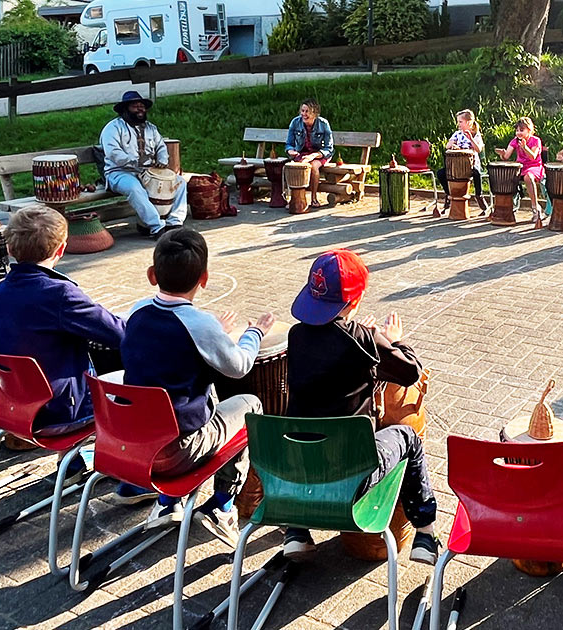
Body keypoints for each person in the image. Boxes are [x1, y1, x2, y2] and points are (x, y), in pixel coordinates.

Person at [282, 249, 439, 565]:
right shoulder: (365, 341)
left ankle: (297, 530)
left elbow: (331, 346)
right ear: (355, 301)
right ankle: (425, 533)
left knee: (309, 422)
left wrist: (366, 336)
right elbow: (410, 372)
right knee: (408, 438)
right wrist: (391, 340)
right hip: (352, 474)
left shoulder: (296, 335)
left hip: (299, 472)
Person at [119, 228, 275, 540]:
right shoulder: (199, 324)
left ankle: (168, 503)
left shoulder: (135, 313)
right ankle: (222, 505)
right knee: (250, 405)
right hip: (179, 451)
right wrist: (253, 333)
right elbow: (239, 366)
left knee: (183, 397)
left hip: (130, 446)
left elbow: (163, 346)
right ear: (203, 279)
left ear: (152, 275)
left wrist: (210, 331)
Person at [0, 205, 126, 437]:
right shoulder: (60, 294)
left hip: (11, 408)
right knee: (142, 366)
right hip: (60, 413)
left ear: (10, 249)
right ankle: (97, 458)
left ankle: (71, 465)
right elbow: (119, 334)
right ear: (61, 248)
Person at [100, 91, 188, 239]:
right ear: (125, 109)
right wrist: (134, 161)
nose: (140, 109)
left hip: (147, 171)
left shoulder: (151, 128)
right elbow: (113, 152)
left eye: (142, 106)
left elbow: (160, 146)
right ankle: (157, 227)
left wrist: (162, 160)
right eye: (135, 106)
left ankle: (175, 223)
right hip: (120, 172)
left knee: (179, 182)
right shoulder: (113, 128)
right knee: (135, 188)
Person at [285, 98, 335, 209]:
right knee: (292, 167)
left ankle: (313, 198)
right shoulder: (295, 122)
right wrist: (290, 151)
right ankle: (295, 199)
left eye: (307, 111)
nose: (304, 114)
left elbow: (329, 148)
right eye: (302, 111)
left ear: (314, 113)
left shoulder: (323, 124)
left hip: (320, 154)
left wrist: (314, 155)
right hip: (302, 153)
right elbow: (289, 143)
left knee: (313, 167)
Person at [436, 109, 488, 214]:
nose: (458, 124)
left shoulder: (476, 135)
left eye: (460, 122)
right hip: (456, 166)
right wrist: (453, 146)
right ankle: (449, 194)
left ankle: (479, 196)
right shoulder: (457, 134)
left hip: (471, 164)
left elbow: (478, 149)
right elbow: (448, 146)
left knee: (477, 173)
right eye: (458, 122)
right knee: (441, 173)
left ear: (469, 122)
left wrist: (471, 139)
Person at [495, 117, 545, 224]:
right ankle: (507, 208)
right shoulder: (514, 141)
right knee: (505, 176)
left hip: (534, 166)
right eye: (517, 130)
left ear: (529, 130)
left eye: (521, 130)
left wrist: (525, 147)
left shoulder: (536, 140)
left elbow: (533, 156)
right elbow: (507, 156)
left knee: (528, 177)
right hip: (520, 167)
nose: (518, 133)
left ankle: (535, 207)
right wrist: (502, 154)